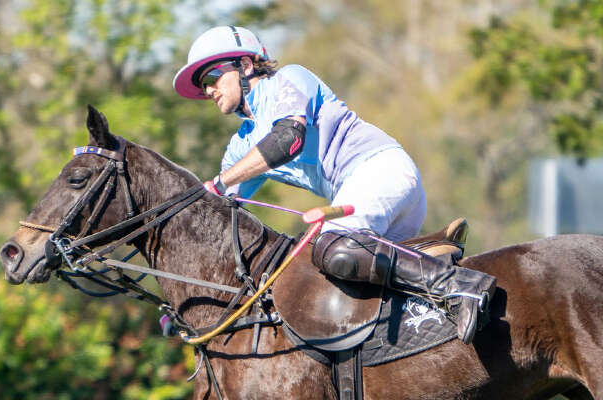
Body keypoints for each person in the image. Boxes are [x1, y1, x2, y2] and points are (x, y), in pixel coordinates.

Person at [174, 25, 495, 343]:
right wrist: (189, 298)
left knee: (331, 247)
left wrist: (220, 181)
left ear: (244, 65)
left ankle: (462, 286)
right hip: (364, 201)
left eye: (210, 77)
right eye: (202, 86)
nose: (207, 90)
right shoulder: (239, 147)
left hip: (382, 171)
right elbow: (217, 219)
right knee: (341, 295)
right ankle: (435, 263)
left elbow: (288, 140)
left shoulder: (289, 78)